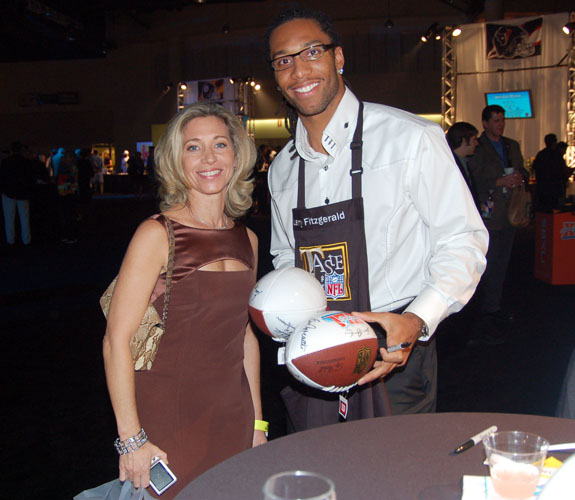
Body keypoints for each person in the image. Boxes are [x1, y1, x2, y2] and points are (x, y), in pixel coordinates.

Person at [265, 7, 488, 426]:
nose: (298, 70)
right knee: (322, 475)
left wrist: (416, 319)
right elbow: (285, 258)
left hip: (394, 352)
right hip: (317, 350)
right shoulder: (282, 168)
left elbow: (463, 240)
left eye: (312, 52)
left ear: (339, 57)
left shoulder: (410, 139)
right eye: (284, 60)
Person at [102, 101, 266, 499]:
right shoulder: (157, 234)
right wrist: (131, 439)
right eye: (193, 147)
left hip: (233, 416)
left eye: (220, 145)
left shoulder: (249, 239)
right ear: (177, 160)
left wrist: (258, 424)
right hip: (167, 417)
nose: (208, 158)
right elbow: (116, 341)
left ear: (237, 154)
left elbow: (244, 337)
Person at [470, 104, 528, 334]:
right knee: (485, 263)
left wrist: (519, 177)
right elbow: (473, 178)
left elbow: (524, 169)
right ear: (485, 123)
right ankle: (480, 308)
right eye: (495, 121)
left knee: (501, 263)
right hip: (487, 213)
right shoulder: (478, 146)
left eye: (502, 120)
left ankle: (493, 306)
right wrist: (498, 181)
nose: (500, 125)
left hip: (509, 213)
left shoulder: (511, 145)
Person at [0, 141, 38, 246]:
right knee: (25, 219)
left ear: (11, 150)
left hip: (9, 193)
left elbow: (2, 178)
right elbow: (31, 179)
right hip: (23, 194)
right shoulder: (26, 162)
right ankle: (26, 240)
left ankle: (10, 240)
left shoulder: (6, 162)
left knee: (9, 219)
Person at [446, 122, 480, 209]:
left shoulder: (464, 162)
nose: (476, 143)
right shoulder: (450, 165)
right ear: (465, 141)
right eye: (474, 139)